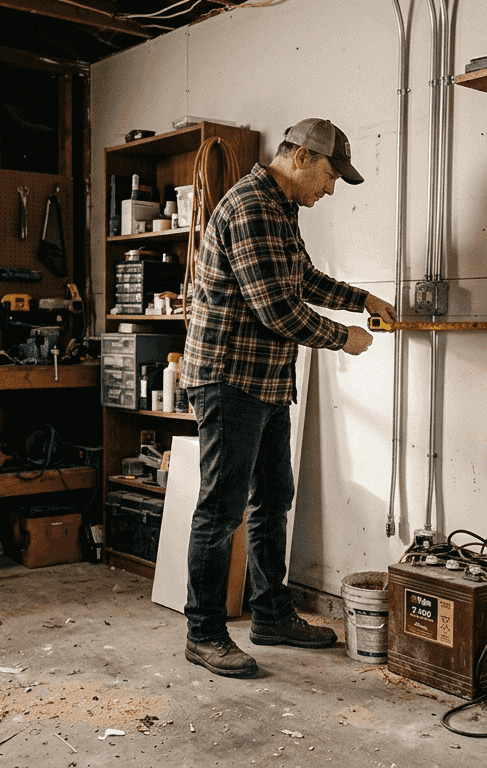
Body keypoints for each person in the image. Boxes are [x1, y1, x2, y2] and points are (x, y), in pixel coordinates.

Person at [180, 117, 396, 678]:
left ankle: (270, 614)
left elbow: (302, 280)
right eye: (329, 175)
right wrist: (342, 338)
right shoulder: (251, 206)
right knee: (220, 509)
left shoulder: (281, 209)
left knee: (272, 495)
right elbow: (275, 309)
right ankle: (203, 633)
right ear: (300, 157)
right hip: (230, 379)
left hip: (265, 380)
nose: (330, 189)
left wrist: (362, 297)